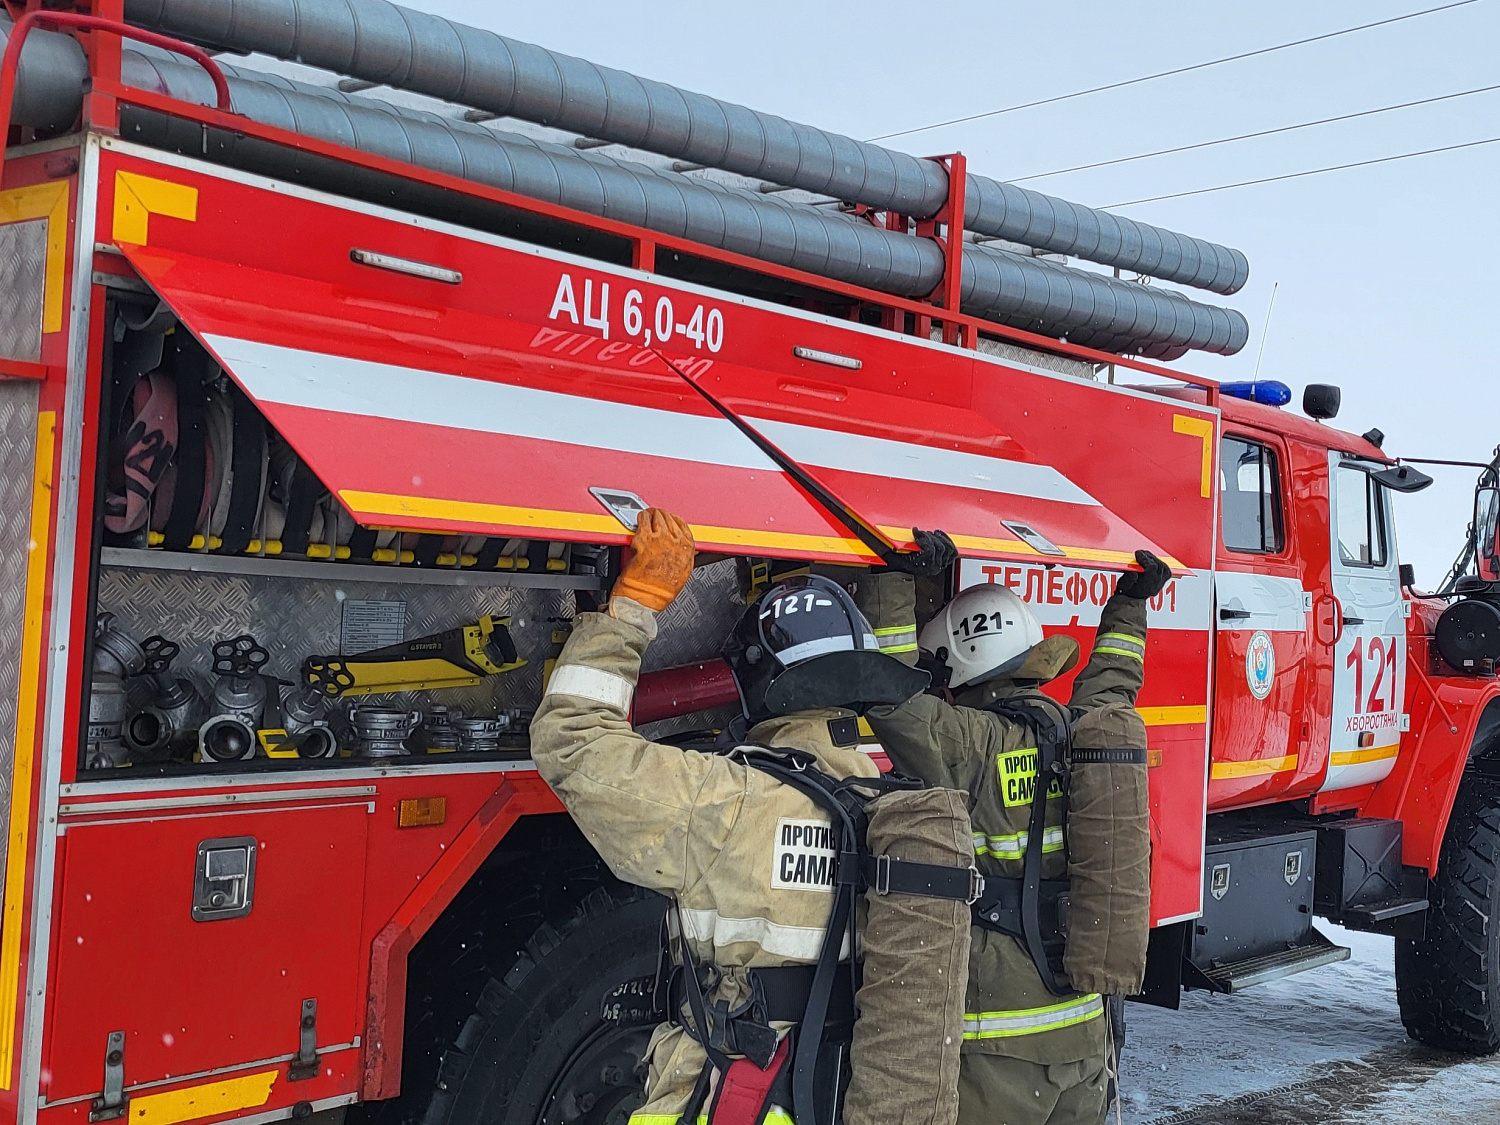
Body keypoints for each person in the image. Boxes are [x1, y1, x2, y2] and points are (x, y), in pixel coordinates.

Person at [530, 509, 977, 1125]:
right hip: (831, 1091)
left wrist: (633, 607)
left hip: (734, 1095)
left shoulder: (725, 800)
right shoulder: (885, 806)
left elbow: (572, 742)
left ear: (752, 682)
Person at [854, 545, 1168, 1125]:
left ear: (955, 667)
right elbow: (1113, 686)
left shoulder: (969, 742)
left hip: (1000, 1040)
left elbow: (890, 696)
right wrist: (1129, 604)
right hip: (1081, 1030)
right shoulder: (1083, 734)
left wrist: (893, 576)